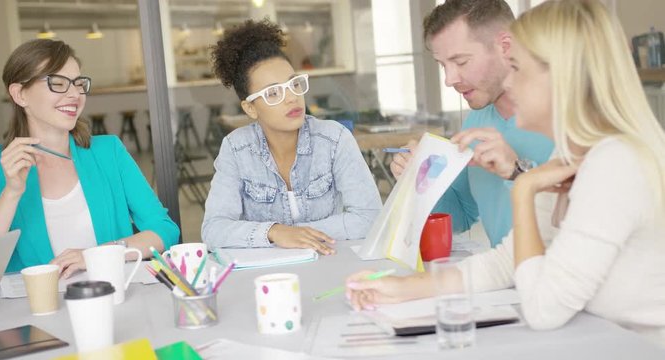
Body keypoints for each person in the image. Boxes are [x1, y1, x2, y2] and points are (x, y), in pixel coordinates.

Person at [347, 0, 665, 345]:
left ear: (562, 77)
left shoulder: (615, 163)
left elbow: (544, 309)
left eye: (516, 67)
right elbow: (505, 262)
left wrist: (524, 186)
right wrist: (402, 288)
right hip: (593, 339)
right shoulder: (574, 153)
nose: (509, 83)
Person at [0, 39, 180, 278]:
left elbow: (164, 230)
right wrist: (12, 192)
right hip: (35, 311)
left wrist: (96, 255)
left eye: (78, 83)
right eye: (58, 83)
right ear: (20, 94)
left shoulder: (109, 153)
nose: (74, 94)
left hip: (114, 298)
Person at [201, 20, 381, 254]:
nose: (291, 98)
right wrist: (275, 232)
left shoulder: (334, 140)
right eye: (273, 92)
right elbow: (214, 230)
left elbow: (370, 217)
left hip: (330, 263)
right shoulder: (236, 150)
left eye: (294, 84)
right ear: (250, 108)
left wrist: (298, 234)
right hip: (268, 276)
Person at [391, 0, 554, 247]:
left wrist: (517, 171)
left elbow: (588, 220)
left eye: (461, 61)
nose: (449, 79)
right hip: (507, 279)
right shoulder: (476, 123)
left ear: (504, 46)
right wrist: (419, 180)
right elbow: (460, 217)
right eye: (442, 65)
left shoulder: (570, 117)